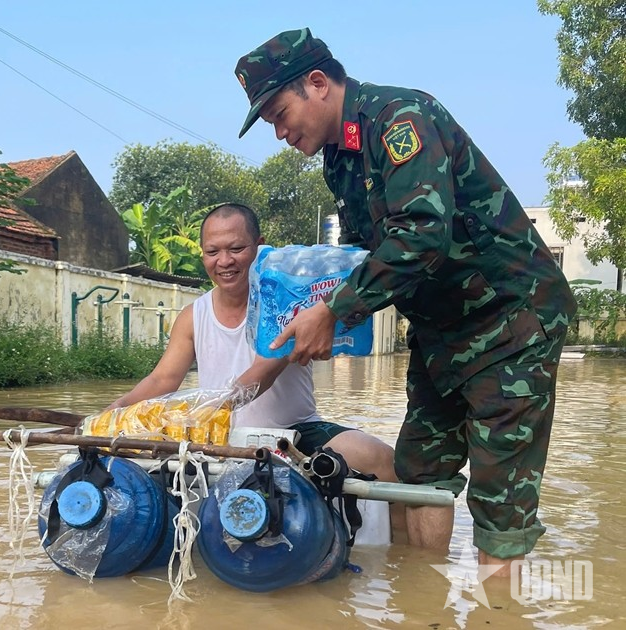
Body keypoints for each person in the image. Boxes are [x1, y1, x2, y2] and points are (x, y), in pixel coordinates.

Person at [233, 27, 577, 576]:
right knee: (418, 474)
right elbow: (365, 257)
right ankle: (422, 607)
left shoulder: (400, 118)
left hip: (511, 323)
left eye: (278, 113)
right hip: (442, 334)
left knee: (499, 500)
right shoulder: (339, 159)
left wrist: (336, 311)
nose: (278, 132)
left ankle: (499, 614)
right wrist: (318, 309)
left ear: (317, 83)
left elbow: (421, 233)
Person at [109, 203, 406, 539]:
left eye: (237, 248)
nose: (224, 261)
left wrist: (197, 414)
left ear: (259, 246)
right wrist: (118, 409)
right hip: (219, 438)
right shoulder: (193, 315)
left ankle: (402, 567)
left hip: (294, 432)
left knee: (381, 459)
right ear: (203, 254)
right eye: (212, 251)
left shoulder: (287, 300)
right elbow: (163, 379)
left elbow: (262, 374)